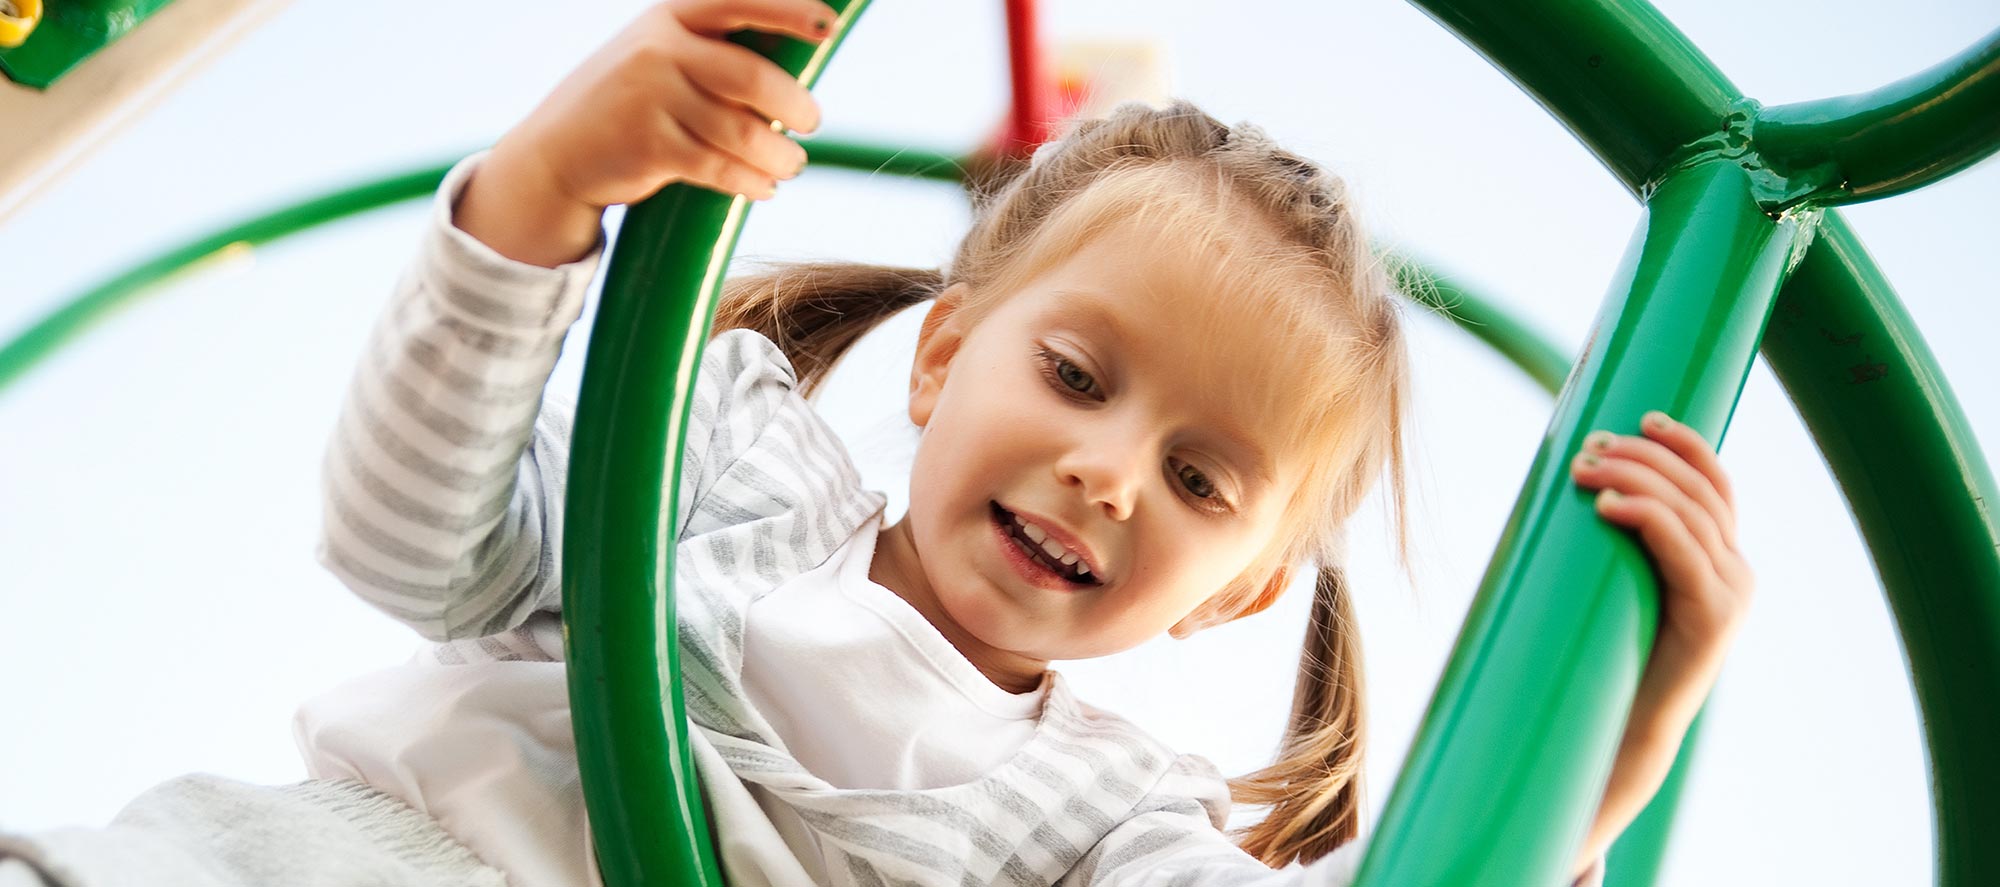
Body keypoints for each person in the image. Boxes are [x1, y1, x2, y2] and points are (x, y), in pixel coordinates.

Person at [0, 1, 1754, 885]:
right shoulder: (726, 464)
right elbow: (410, 540)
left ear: (1238, 592)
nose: (1108, 470)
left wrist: (1606, 751)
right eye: (1078, 376)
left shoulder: (1103, 822)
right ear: (943, 357)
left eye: (1199, 480)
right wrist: (540, 194)